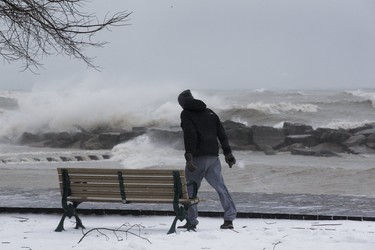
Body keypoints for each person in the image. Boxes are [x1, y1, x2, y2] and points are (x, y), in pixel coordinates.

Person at [177, 89, 237, 230]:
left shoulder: (186, 114)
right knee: (221, 188)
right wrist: (228, 153)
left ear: (183, 103)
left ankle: (191, 221)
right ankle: (229, 219)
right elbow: (221, 133)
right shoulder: (209, 112)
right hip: (213, 157)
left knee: (190, 191)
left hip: (197, 158)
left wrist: (189, 157)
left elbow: (190, 135)